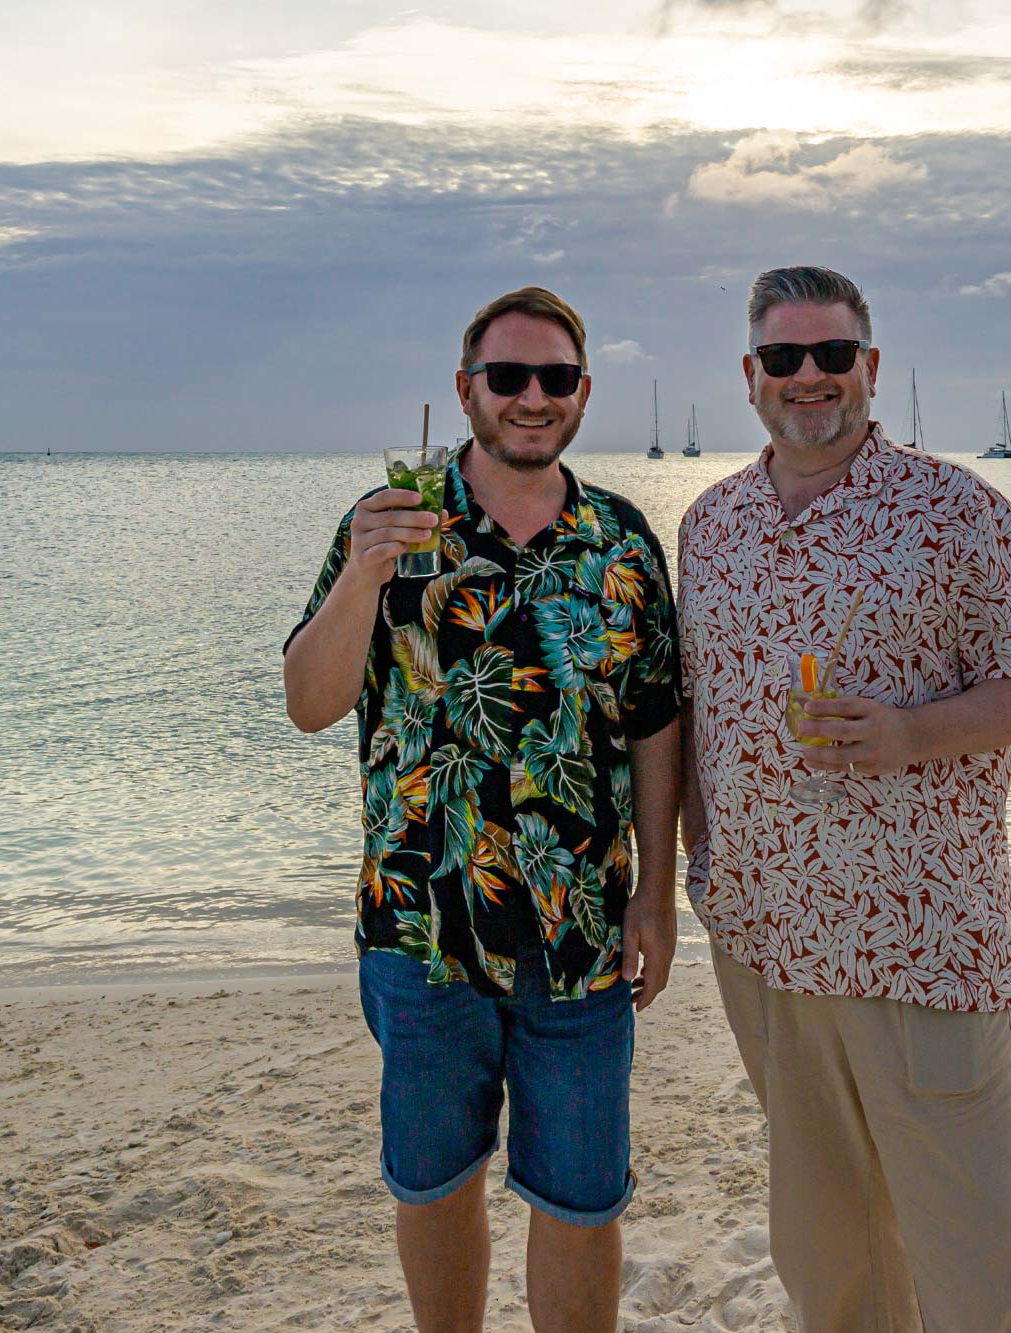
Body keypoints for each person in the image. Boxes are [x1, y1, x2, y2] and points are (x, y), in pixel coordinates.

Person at [677, 265, 1011, 1333]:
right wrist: (674, 880)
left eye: (829, 355)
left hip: (916, 940)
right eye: (782, 358)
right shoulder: (709, 527)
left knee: (976, 1253)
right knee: (827, 1253)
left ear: (868, 366)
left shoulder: (956, 511)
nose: (807, 378)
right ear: (749, 377)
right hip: (760, 937)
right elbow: (689, 716)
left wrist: (908, 733)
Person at [282, 287, 682, 1333]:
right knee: (435, 1180)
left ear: (583, 394)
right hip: (420, 926)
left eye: (555, 378)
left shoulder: (622, 544)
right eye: (508, 378)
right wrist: (363, 577)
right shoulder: (385, 524)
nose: (531, 398)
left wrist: (657, 897)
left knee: (582, 1198)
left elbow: (652, 726)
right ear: (465, 392)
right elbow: (307, 703)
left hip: (583, 933)